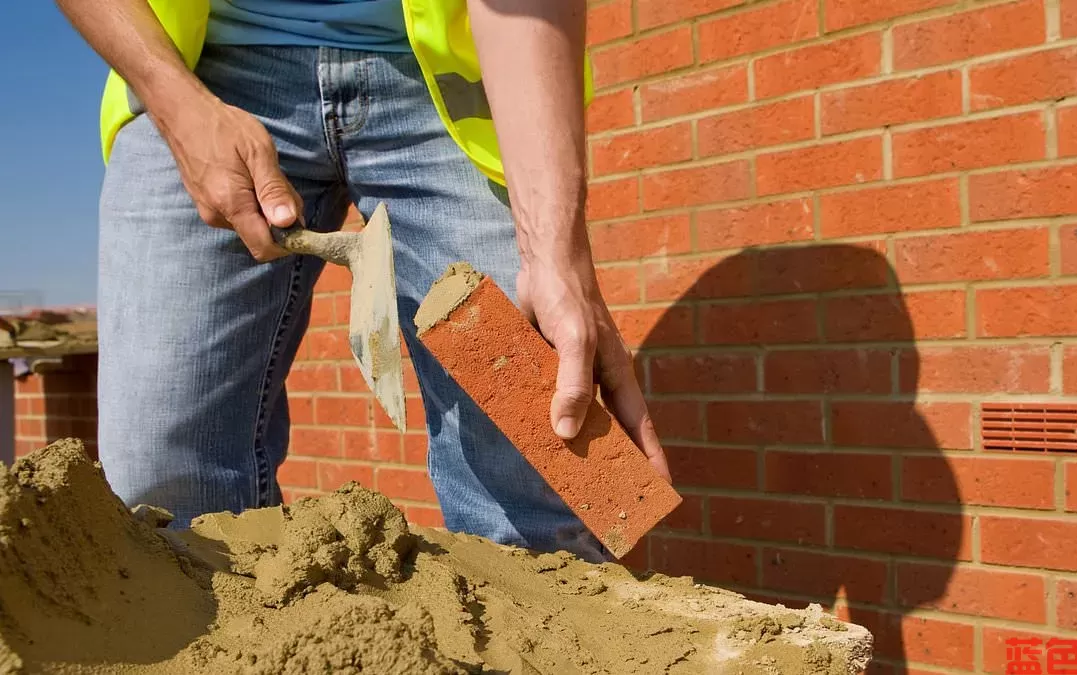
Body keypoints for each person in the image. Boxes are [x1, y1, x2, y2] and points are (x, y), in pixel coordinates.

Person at [56, 0, 671, 563]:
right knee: (159, 485)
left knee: (548, 455)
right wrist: (175, 103)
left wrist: (556, 252)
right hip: (198, 76)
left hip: (438, 79)